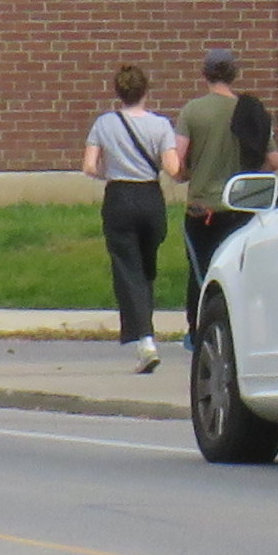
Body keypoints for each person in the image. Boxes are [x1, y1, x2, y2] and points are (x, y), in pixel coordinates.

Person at [80, 64, 181, 371]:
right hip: (150, 197)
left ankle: (145, 340)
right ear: (145, 91)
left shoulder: (104, 123)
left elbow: (89, 166)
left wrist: (111, 173)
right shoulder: (161, 125)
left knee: (128, 269)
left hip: (119, 197)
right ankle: (145, 333)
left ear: (118, 92)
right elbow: (173, 168)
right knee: (146, 268)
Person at [174, 51, 251, 314]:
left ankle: (198, 329)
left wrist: (186, 173)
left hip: (201, 209)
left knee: (200, 274)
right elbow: (273, 160)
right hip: (240, 208)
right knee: (236, 275)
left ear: (204, 74)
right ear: (234, 74)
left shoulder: (192, 111)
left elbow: (177, 163)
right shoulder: (248, 111)